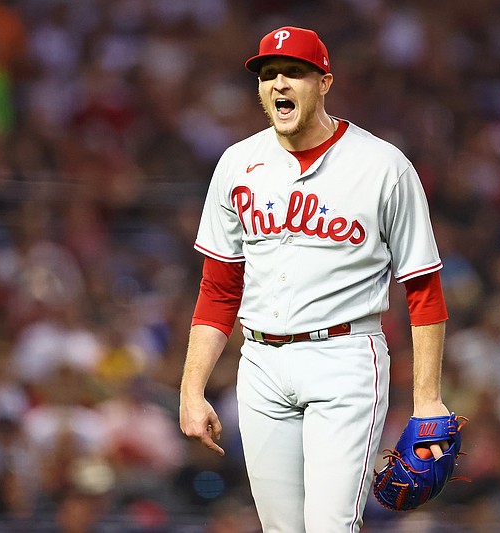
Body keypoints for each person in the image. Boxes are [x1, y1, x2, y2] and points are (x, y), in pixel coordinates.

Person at [179, 26, 452, 532]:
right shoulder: (237, 163)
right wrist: (192, 387)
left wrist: (427, 398)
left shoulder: (383, 167)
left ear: (324, 81)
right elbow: (218, 289)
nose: (279, 83)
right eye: (268, 74)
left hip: (344, 359)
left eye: (294, 72)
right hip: (259, 363)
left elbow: (423, 289)